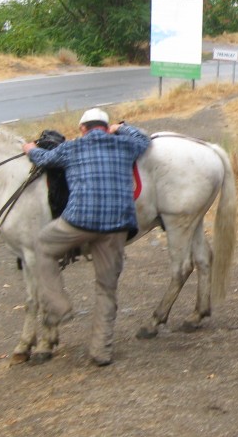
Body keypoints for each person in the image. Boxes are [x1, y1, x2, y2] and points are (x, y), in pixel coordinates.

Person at [22, 108, 151, 366]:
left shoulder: (72, 148)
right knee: (106, 289)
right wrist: (122, 127)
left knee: (41, 246)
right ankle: (100, 351)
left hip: (79, 220)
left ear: (82, 129)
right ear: (105, 127)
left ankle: (59, 306)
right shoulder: (126, 145)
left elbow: (44, 159)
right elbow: (144, 139)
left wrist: (28, 149)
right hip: (117, 225)